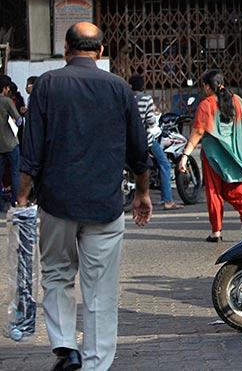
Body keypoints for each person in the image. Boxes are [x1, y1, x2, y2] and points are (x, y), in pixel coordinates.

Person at [16, 21, 152, 371]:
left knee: (57, 273)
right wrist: (143, 192)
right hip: (105, 205)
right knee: (100, 289)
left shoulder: (47, 85)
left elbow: (31, 149)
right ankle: (95, 364)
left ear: (66, 48)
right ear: (101, 51)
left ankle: (65, 346)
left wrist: (22, 198)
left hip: (57, 203)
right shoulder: (119, 88)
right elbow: (139, 148)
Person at [179, 69, 242, 242]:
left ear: (206, 86)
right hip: (235, 155)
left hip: (212, 157)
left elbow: (197, 132)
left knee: (214, 193)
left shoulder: (206, 104)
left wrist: (185, 156)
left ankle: (216, 231)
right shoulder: (237, 100)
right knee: (239, 195)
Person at [128, 74, 183, 211]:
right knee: (164, 164)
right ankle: (168, 200)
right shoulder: (146, 99)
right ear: (142, 86)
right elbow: (150, 121)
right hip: (145, 140)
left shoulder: (126, 98)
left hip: (128, 139)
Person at [0, 75, 21, 207]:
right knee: (15, 171)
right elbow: (18, 120)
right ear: (5, 88)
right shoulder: (6, 101)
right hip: (11, 142)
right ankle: (15, 200)